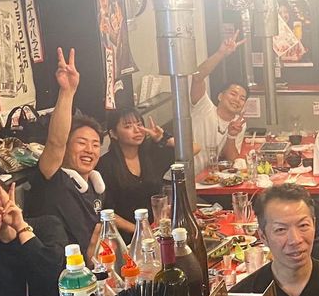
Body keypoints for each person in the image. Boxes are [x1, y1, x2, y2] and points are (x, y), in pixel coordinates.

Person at [27, 48, 106, 260]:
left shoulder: (95, 187)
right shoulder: (54, 179)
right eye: (81, 142)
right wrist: (67, 92)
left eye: (95, 145)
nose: (89, 149)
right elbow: (55, 142)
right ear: (67, 148)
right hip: (62, 274)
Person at [96, 108, 178, 236]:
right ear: (113, 133)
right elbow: (106, 211)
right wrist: (140, 231)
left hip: (159, 229)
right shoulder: (105, 165)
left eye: (139, 124)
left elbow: (192, 149)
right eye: (128, 126)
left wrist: (163, 139)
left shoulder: (151, 154)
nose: (137, 130)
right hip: (127, 235)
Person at [189, 34, 248, 172]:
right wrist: (221, 54)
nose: (237, 100)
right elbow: (197, 77)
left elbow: (231, 159)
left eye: (242, 98)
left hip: (207, 179)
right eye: (233, 94)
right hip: (185, 178)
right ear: (220, 96)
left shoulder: (238, 123)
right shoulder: (204, 108)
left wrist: (231, 135)